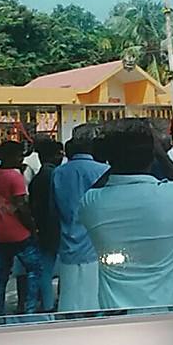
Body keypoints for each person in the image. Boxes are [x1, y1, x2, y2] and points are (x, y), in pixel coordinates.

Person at [79, 118, 173, 309]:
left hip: (118, 321)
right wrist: (162, 156)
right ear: (152, 156)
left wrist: (117, 158)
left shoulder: (93, 203)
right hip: (171, 316)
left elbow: (93, 190)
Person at [51, 124, 108, 312]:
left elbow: (54, 208)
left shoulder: (58, 172)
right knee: (92, 292)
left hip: (67, 237)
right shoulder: (102, 170)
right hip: (94, 241)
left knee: (69, 290)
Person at [0, 140, 42, 316]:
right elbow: (21, 206)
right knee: (34, 270)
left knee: (0, 275)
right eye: (19, 156)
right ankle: (29, 308)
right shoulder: (15, 176)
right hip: (19, 232)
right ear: (11, 156)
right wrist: (33, 227)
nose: (21, 159)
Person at [29, 137, 62, 312]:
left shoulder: (39, 177)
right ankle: (50, 303)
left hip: (43, 228)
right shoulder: (55, 175)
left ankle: (47, 302)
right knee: (52, 269)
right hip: (55, 228)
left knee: (46, 269)